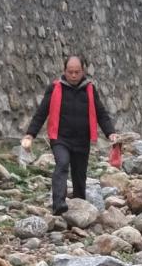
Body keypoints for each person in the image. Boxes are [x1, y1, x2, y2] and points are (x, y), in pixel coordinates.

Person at [21, 55, 118, 215]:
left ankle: (80, 207)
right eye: (70, 72)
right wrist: (30, 135)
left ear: (83, 71)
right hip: (60, 138)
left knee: (80, 175)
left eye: (77, 72)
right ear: (64, 71)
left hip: (82, 140)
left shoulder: (90, 89)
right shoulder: (55, 88)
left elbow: (101, 113)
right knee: (62, 163)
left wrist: (111, 133)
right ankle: (58, 204)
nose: (73, 75)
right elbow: (41, 112)